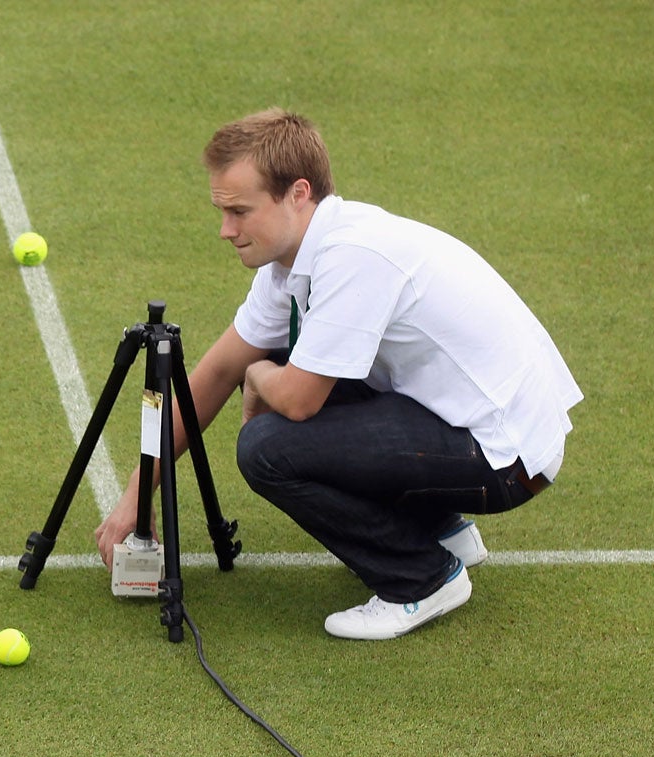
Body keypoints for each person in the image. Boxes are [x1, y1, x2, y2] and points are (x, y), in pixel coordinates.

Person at [96, 110, 582, 639]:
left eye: (239, 211)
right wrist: (136, 496)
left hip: (506, 459)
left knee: (266, 447)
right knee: (288, 370)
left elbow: (298, 400)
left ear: (297, 193)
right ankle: (442, 532)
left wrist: (258, 379)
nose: (225, 230)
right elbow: (213, 375)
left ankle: (421, 578)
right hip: (470, 421)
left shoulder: (353, 256)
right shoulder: (291, 257)